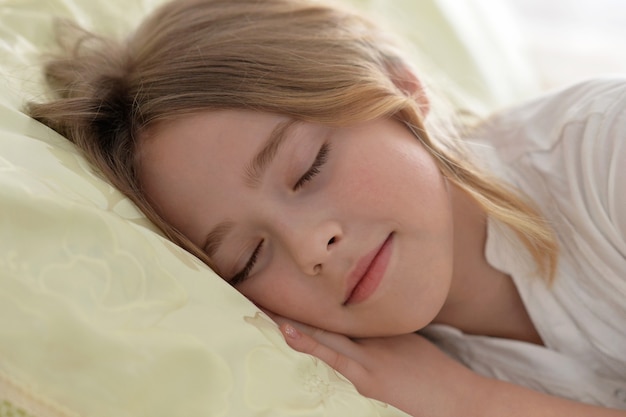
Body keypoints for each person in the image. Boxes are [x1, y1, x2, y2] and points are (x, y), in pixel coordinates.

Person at [27, 0, 626, 415]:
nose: (313, 247)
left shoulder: (604, 151)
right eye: (249, 257)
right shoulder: (381, 373)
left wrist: (469, 403)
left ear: (401, 88)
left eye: (309, 168)